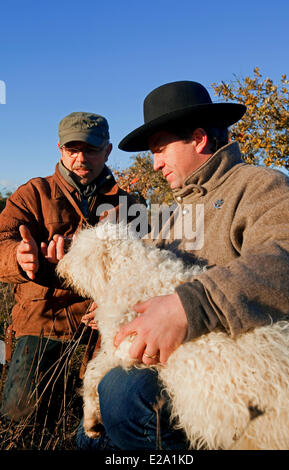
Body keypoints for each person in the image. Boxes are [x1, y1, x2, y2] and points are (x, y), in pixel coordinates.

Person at [76, 81, 289, 450]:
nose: (155, 163)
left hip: (237, 376)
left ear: (198, 140)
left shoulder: (259, 186)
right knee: (88, 441)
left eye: (160, 149)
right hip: (174, 366)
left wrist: (189, 305)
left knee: (123, 392)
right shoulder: (171, 215)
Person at [0, 111, 138, 427]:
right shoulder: (32, 194)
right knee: (21, 418)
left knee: (108, 417)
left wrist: (110, 300)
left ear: (107, 150)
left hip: (107, 321)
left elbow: (140, 267)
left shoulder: (130, 206)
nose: (80, 158)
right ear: (60, 150)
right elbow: (1, 242)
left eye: (90, 149)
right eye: (72, 150)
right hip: (44, 317)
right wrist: (18, 259)